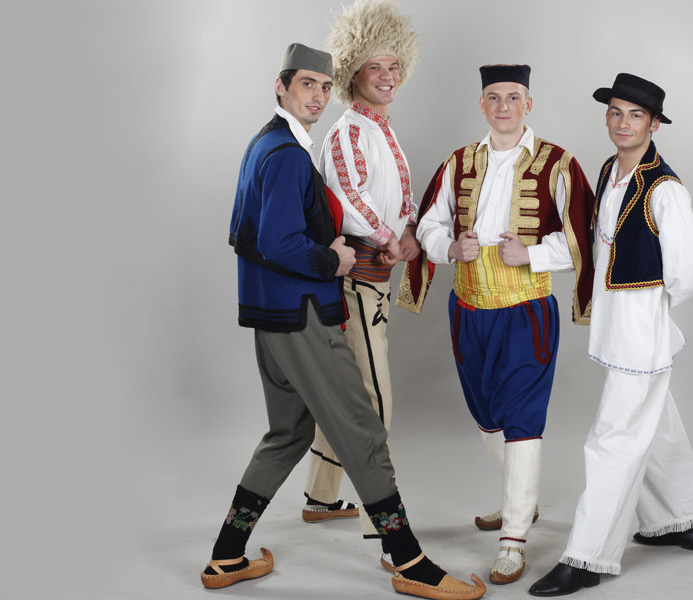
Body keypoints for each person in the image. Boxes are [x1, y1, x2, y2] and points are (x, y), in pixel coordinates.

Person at [200, 42, 484, 600]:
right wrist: (333, 260)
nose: (317, 96)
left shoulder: (265, 143)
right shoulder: (286, 153)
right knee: (362, 428)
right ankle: (410, 562)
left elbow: (242, 235)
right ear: (281, 86)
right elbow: (278, 242)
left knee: (288, 434)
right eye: (307, 84)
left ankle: (226, 556)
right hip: (301, 314)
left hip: (270, 316)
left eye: (325, 87)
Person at [399, 64, 595, 585]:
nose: (503, 106)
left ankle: (513, 539)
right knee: (486, 413)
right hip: (468, 305)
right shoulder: (459, 161)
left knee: (522, 415)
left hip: (526, 308)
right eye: (493, 97)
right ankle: (521, 500)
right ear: (481, 105)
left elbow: (582, 237)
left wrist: (531, 253)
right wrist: (449, 247)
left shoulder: (559, 162)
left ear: (529, 104)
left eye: (513, 97)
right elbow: (429, 223)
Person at [529, 73, 693, 597]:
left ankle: (588, 557)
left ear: (654, 125)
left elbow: (688, 270)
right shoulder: (610, 171)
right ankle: (682, 520)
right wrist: (532, 255)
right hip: (617, 329)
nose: (623, 123)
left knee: (613, 439)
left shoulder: (665, 189)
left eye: (635, 115)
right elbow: (594, 244)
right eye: (616, 112)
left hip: (639, 331)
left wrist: (648, 312)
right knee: (659, 424)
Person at [299, 0, 421, 569]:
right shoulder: (349, 130)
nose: (388, 76)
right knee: (374, 397)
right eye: (376, 67)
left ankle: (321, 497)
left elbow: (400, 192)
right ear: (353, 72)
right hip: (360, 278)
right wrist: (391, 237)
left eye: (394, 66)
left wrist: (409, 228)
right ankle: (385, 525)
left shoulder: (381, 129)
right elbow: (349, 197)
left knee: (355, 391)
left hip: (377, 273)